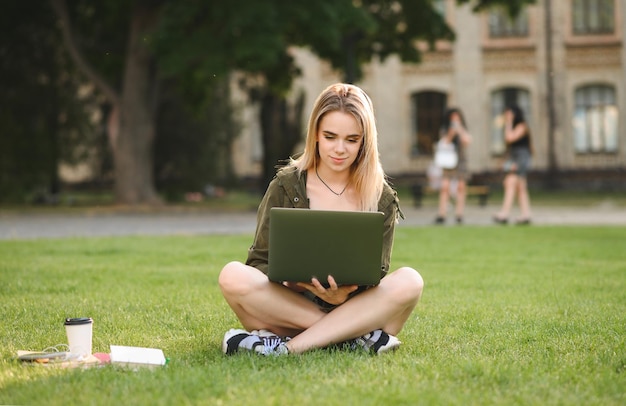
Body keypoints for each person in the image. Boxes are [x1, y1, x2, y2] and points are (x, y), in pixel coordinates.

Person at [219, 83, 424, 356]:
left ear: (365, 141)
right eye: (330, 137)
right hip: (289, 308)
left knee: (411, 280)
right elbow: (257, 262)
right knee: (232, 275)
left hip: (352, 307)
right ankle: (353, 338)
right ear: (315, 134)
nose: (340, 149)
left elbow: (377, 274)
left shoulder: (381, 196)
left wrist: (343, 297)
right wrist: (292, 282)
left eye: (352, 139)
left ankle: (287, 348)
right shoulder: (287, 184)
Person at [494, 105, 532, 225]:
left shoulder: (522, 126)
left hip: (521, 158)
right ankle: (526, 214)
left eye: (509, 114)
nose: (507, 117)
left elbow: (509, 138)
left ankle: (504, 214)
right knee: (520, 187)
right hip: (514, 156)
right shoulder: (513, 126)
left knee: (510, 182)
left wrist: (509, 123)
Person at [434, 108, 472, 225]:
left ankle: (459, 214)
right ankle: (442, 213)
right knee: (445, 187)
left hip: (460, 160)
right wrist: (451, 133)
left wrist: (459, 130)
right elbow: (444, 143)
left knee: (461, 186)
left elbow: (467, 141)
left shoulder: (463, 130)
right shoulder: (445, 130)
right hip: (448, 160)